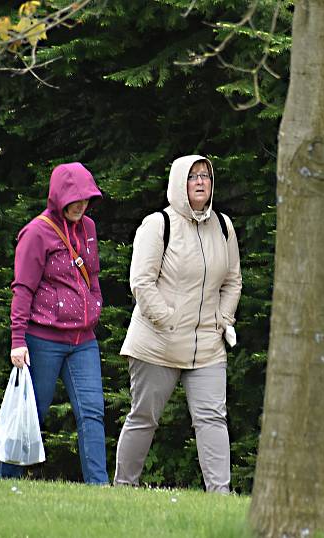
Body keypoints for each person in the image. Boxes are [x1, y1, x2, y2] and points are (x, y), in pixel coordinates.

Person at [114, 154, 242, 493]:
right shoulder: (158, 224)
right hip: (157, 342)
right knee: (144, 417)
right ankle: (124, 488)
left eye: (206, 176)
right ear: (178, 183)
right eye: (193, 176)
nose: (200, 182)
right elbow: (141, 282)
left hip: (208, 345)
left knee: (212, 418)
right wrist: (167, 320)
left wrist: (222, 320)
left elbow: (233, 281)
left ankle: (221, 496)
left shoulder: (224, 227)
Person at [0, 162, 108, 484]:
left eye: (86, 199)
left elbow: (94, 276)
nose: (81, 205)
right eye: (74, 199)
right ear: (58, 196)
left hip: (83, 340)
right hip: (43, 340)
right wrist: (18, 339)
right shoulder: (36, 232)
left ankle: (100, 490)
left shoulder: (88, 227)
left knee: (92, 413)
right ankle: (5, 483)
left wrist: (95, 306)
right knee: (31, 414)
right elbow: (23, 288)